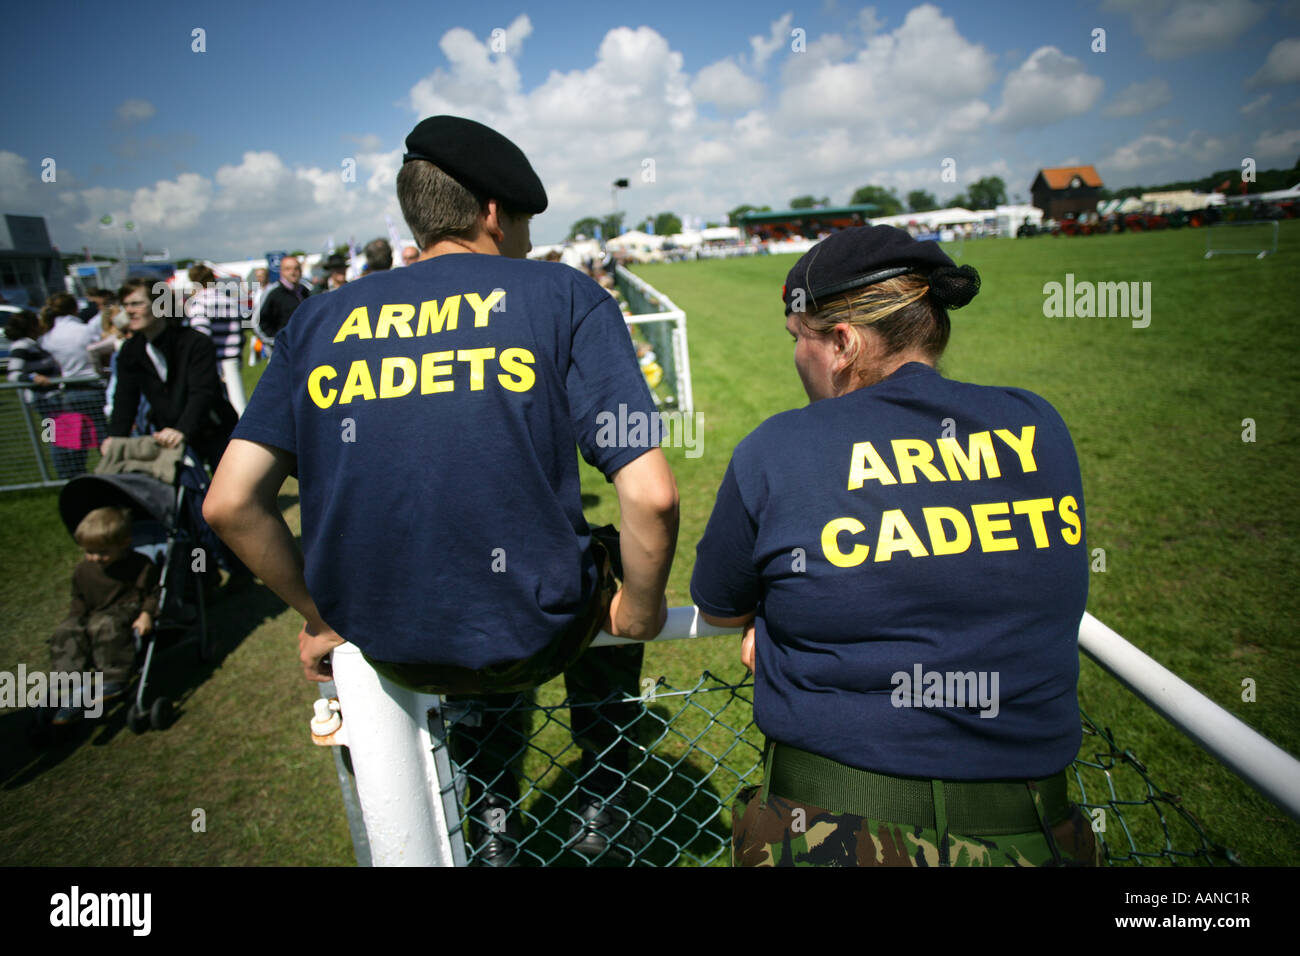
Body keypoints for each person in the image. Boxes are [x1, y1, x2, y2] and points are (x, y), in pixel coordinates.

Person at [204, 114, 679, 866]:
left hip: (389, 638)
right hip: (539, 629)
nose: (525, 241)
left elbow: (229, 503)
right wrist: (644, 606)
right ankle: (603, 795)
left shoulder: (320, 317)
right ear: (494, 212)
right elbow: (650, 495)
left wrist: (321, 615)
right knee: (608, 557)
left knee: (477, 604)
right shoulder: (561, 295)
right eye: (523, 221)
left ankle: (488, 819)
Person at [692, 225, 1098, 867]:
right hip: (1037, 834)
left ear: (843, 343)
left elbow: (718, 606)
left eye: (798, 340)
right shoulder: (1037, 420)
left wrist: (773, 623)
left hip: (833, 831)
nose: (796, 358)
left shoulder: (779, 447)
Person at [49, 506, 160, 725]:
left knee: (104, 624)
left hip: (126, 609)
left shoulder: (140, 565)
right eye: (88, 551)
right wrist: (74, 619)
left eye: (102, 552)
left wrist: (147, 614)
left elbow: (154, 593)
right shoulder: (84, 570)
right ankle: (74, 687)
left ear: (124, 543)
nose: (95, 558)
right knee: (66, 631)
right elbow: (79, 599)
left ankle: (114, 679)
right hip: (95, 611)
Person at [185, 265, 248, 415]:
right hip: (232, 357)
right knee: (238, 404)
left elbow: (200, 337)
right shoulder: (229, 300)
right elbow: (241, 330)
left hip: (214, 361)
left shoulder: (199, 302)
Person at [255, 255, 311, 343]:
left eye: (296, 268)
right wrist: (276, 342)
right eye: (288, 269)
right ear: (281, 272)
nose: (293, 272)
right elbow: (257, 322)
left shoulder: (306, 291)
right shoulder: (273, 293)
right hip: (283, 350)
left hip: (305, 346)